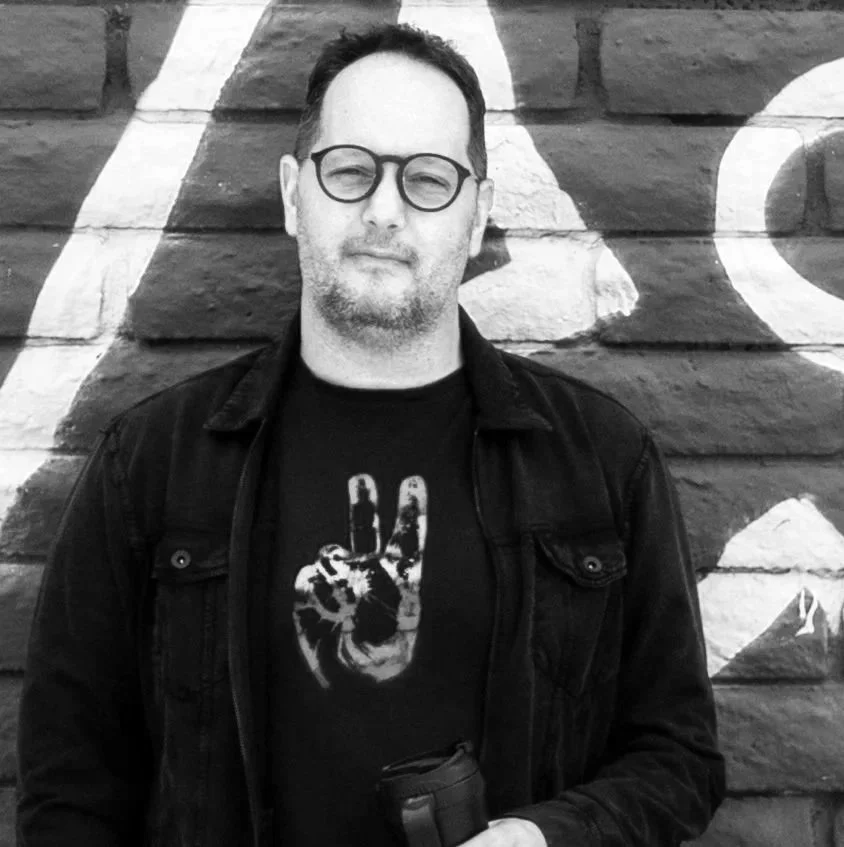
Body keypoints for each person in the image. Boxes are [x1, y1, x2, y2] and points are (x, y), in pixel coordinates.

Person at [17, 23, 725, 847]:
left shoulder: (599, 462)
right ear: (292, 195)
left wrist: (545, 838)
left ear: (477, 212)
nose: (384, 210)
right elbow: (69, 785)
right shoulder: (154, 462)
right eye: (350, 171)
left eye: (428, 179)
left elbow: (680, 756)